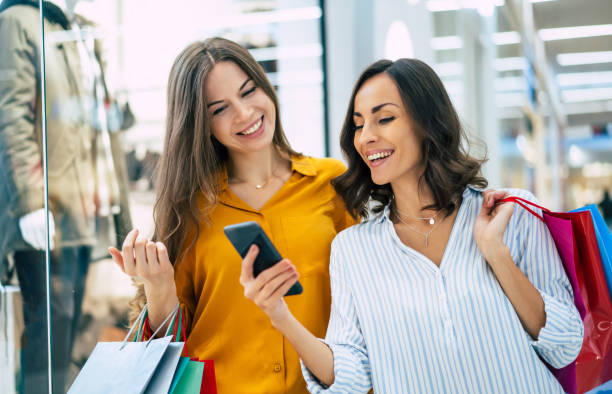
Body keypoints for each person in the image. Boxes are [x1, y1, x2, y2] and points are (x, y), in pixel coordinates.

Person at [241, 58, 584, 393]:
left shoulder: (511, 212)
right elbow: (352, 378)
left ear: (428, 123)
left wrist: (497, 255)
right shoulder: (353, 249)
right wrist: (280, 315)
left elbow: (565, 345)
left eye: (384, 118)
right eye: (359, 125)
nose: (366, 137)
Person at [108, 37, 354, 393]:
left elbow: (365, 304)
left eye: (249, 91)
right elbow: (167, 346)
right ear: (201, 124)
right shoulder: (189, 210)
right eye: (219, 109)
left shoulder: (332, 182)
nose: (243, 113)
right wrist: (158, 285)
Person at [0, 1, 132, 392]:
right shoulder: (19, 22)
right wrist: (30, 201)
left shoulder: (79, 29)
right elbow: (10, 115)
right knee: (48, 339)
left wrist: (120, 213)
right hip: (47, 210)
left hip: (83, 208)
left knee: (69, 334)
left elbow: (98, 127)